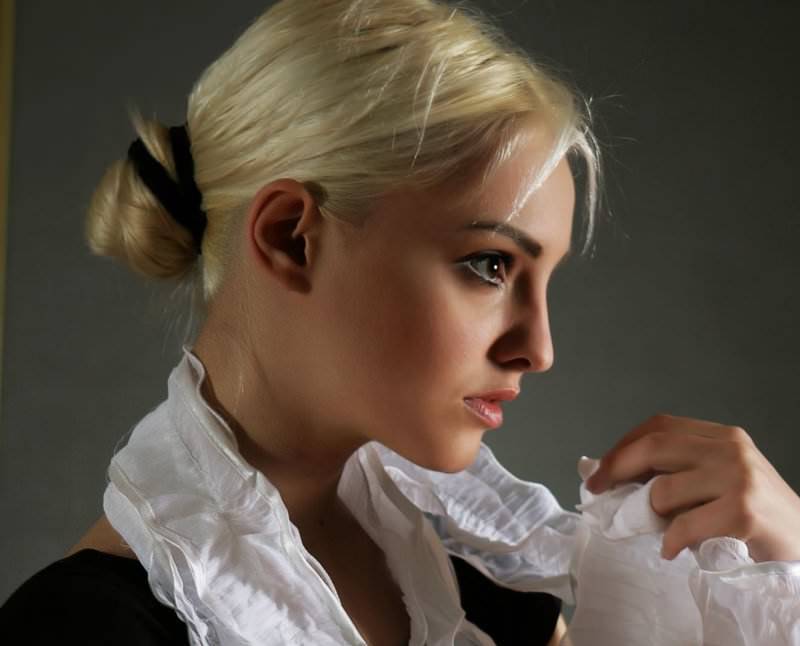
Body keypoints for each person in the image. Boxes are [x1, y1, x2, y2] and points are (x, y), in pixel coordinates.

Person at [3, 0, 800, 644]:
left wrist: (786, 566)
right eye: (490, 265)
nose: (539, 348)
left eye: (544, 279)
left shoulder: (480, 578)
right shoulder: (81, 631)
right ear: (290, 238)